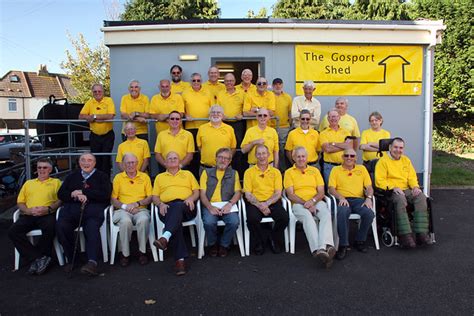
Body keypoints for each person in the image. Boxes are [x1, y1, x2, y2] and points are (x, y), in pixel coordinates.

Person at [56, 153, 111, 276]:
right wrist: (73, 194)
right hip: (72, 210)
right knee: (62, 226)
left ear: (94, 163)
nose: (86, 163)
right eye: (83, 160)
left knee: (91, 228)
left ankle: (92, 262)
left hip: (93, 210)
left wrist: (84, 192)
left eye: (90, 160)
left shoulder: (102, 176)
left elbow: (105, 195)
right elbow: (61, 194)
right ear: (79, 162)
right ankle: (72, 258)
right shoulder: (72, 176)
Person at [284, 147, 335, 268]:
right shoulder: (289, 172)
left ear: (307, 158)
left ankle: (322, 249)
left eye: (303, 156)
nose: (301, 159)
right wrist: (305, 204)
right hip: (298, 204)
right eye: (298, 156)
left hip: (315, 200)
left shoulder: (315, 171)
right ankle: (322, 248)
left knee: (326, 214)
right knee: (307, 217)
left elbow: (321, 192)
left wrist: (312, 201)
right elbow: (290, 194)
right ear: (293, 158)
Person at [375, 137, 431, 248]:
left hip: (406, 189)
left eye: (401, 148)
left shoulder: (406, 160)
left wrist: (415, 187)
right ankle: (405, 235)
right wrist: (393, 187)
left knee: (421, 197)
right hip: (390, 192)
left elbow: (411, 177)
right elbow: (379, 180)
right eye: (395, 147)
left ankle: (421, 233)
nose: (398, 150)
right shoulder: (382, 162)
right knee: (400, 199)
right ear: (390, 148)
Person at [8, 158, 61, 275]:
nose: (42, 170)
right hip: (29, 214)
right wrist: (28, 210)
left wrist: (48, 209)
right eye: (39, 167)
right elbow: (20, 202)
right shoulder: (28, 183)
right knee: (13, 231)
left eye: (45, 167)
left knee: (50, 228)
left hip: (47, 213)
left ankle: (39, 258)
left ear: (50, 169)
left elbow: (60, 200)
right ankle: (38, 258)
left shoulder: (56, 182)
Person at [153, 151, 200, 276]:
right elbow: (155, 197)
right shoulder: (159, 177)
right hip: (166, 208)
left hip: (186, 206)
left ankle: (165, 238)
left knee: (178, 207)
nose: (173, 160)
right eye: (170, 158)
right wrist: (160, 204)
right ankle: (180, 261)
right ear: (165, 162)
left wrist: (191, 198)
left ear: (179, 162)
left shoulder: (188, 174)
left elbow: (196, 191)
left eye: (175, 158)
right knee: (175, 220)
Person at [328, 149, 375, 260]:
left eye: (352, 155)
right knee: (342, 212)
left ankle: (360, 240)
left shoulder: (362, 169)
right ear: (342, 157)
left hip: (359, 200)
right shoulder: (335, 170)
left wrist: (368, 198)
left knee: (369, 213)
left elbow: (369, 187)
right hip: (343, 199)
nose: (349, 157)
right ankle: (343, 245)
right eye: (346, 155)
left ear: (356, 158)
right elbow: (331, 189)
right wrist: (340, 197)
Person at [243, 144, 288, 255]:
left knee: (284, 218)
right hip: (255, 203)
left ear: (268, 155)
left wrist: (267, 204)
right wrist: (260, 205)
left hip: (272, 201)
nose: (262, 156)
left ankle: (273, 238)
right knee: (252, 219)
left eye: (264, 153)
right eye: (259, 154)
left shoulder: (276, 172)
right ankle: (259, 242)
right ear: (255, 156)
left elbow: (278, 193)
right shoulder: (249, 172)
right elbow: (248, 194)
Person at [111, 153, 152, 266]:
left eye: (133, 162)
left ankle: (143, 252)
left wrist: (137, 204)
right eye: (128, 163)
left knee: (143, 220)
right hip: (122, 210)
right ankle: (125, 254)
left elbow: (150, 197)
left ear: (137, 163)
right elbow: (113, 199)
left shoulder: (145, 177)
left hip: (140, 209)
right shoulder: (118, 178)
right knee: (125, 222)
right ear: (123, 164)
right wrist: (125, 207)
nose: (130, 165)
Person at [199, 148, 241, 257]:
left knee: (234, 222)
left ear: (230, 161)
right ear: (216, 158)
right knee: (209, 222)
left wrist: (230, 204)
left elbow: (238, 193)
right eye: (221, 157)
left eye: (226, 158)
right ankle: (212, 244)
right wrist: (209, 207)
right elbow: (202, 194)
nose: (223, 160)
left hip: (227, 204)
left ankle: (224, 245)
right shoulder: (206, 173)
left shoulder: (234, 173)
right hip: (210, 204)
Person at [79, 83, 115, 176]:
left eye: (99, 91)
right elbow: (81, 116)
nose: (97, 93)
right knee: (95, 159)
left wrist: (94, 116)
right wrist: (101, 118)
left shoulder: (109, 100)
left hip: (107, 135)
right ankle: (97, 180)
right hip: (95, 136)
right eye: (95, 91)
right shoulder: (90, 102)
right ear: (92, 92)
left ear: (103, 92)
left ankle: (106, 180)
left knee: (106, 159)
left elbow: (110, 116)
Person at [217, 73, 246, 175]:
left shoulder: (241, 93)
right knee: (225, 146)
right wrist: (221, 114)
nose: (229, 83)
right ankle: (224, 170)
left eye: (231, 81)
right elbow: (217, 108)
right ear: (224, 82)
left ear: (234, 82)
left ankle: (237, 173)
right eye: (227, 81)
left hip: (238, 124)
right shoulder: (220, 94)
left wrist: (242, 114)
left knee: (237, 148)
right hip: (224, 123)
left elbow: (245, 108)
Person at [196, 105, 236, 170]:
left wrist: (226, 161)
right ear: (209, 115)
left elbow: (233, 148)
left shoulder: (229, 129)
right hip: (206, 168)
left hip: (225, 167)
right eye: (213, 112)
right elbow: (199, 147)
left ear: (223, 115)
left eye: (218, 112)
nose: (215, 114)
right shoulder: (202, 128)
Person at [319, 109, 353, 184]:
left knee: (343, 188)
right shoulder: (323, 133)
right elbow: (327, 149)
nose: (333, 119)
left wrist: (333, 144)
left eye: (335, 116)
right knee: (330, 190)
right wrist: (343, 145)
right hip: (329, 167)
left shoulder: (346, 132)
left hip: (344, 166)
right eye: (331, 117)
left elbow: (349, 147)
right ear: (328, 119)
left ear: (339, 118)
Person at [271, 78, 292, 170]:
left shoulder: (287, 97)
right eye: (275, 84)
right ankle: (274, 169)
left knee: (283, 150)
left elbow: (290, 113)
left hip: (284, 127)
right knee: (273, 149)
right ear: (272, 86)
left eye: (279, 84)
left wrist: (289, 125)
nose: (277, 86)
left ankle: (283, 171)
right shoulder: (269, 96)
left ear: (282, 85)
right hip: (270, 127)